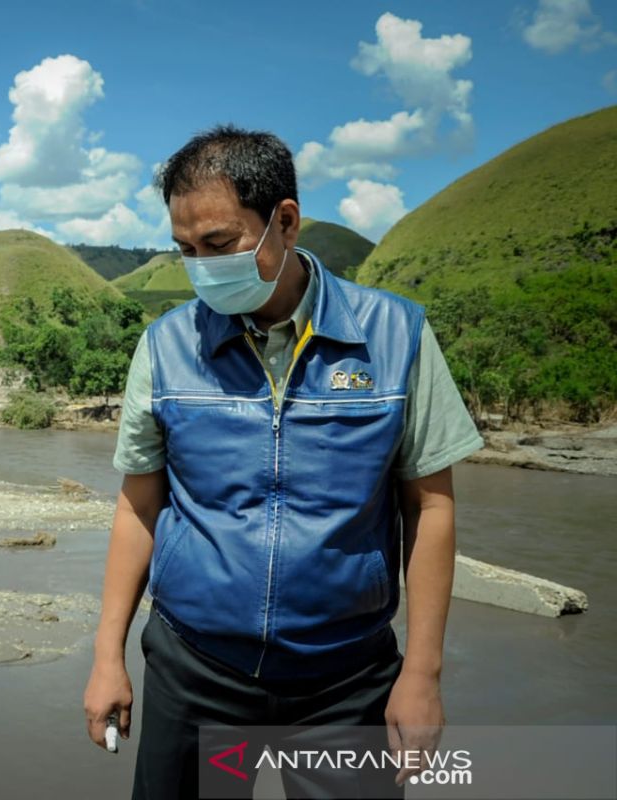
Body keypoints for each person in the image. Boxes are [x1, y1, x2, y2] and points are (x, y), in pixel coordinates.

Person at [82, 125, 484, 799]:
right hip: (197, 670)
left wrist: (421, 674)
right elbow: (140, 506)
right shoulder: (165, 348)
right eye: (185, 250)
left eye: (219, 244)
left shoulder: (395, 336)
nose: (202, 266)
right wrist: (106, 658)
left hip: (346, 684)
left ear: (286, 222)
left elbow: (431, 507)